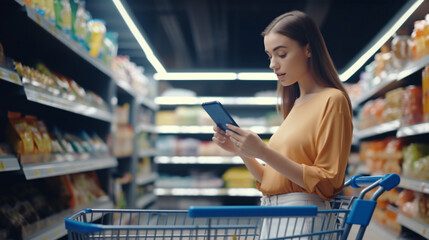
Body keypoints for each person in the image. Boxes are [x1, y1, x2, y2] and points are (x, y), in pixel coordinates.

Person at [211, 10, 353, 238]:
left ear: (308, 49)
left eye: (281, 54)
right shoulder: (295, 105)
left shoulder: (332, 100)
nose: (272, 64)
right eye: (269, 55)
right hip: (275, 217)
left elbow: (328, 183)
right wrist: (242, 151)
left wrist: (263, 151)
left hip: (304, 220)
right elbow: (270, 180)